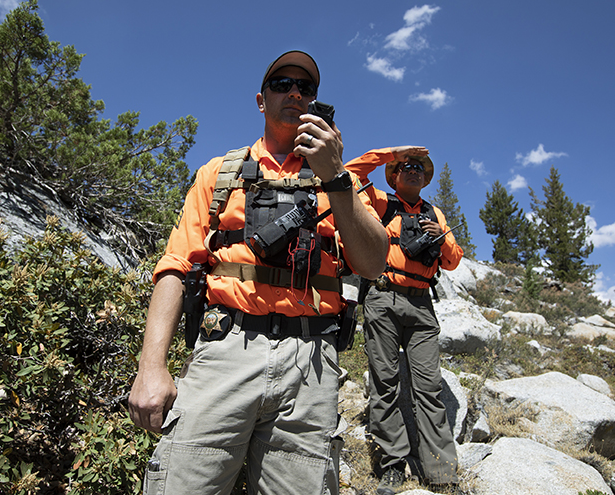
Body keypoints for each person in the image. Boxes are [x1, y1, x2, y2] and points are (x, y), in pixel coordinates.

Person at [128, 50, 388, 495]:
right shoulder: (219, 174)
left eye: (306, 88)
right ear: (260, 100)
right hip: (225, 351)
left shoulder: (341, 180)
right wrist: (151, 365)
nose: (294, 93)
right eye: (282, 84)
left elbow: (374, 262)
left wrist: (336, 178)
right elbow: (175, 266)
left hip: (311, 364)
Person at [345, 146, 462, 494]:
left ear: (425, 179)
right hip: (383, 297)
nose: (412, 171)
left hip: (422, 305)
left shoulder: (435, 213)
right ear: (394, 176)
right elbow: (351, 172)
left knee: (429, 388)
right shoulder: (381, 202)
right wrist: (391, 153)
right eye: (405, 167)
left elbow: (454, 260)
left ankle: (442, 473)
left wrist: (438, 237)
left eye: (418, 169)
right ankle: (392, 466)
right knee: (385, 382)